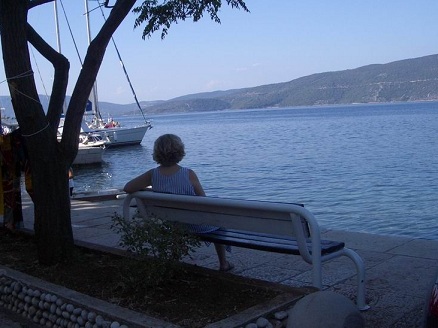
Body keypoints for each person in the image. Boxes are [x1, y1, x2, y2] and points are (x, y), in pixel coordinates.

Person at [123, 134, 234, 271]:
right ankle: (223, 263)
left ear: (157, 153)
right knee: (220, 225)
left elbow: (128, 188)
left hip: (174, 224)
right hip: (195, 226)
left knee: (178, 219)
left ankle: (175, 256)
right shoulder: (188, 174)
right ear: (180, 152)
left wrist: (147, 189)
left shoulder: (152, 175)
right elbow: (204, 201)